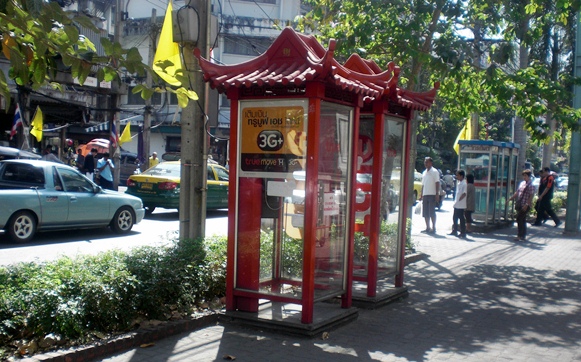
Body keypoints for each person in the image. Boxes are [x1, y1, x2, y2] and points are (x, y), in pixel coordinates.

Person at [509, 169, 535, 242]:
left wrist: (527, 204)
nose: (524, 177)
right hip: (520, 203)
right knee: (522, 219)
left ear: (529, 176)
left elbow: (531, 196)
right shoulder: (522, 183)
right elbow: (517, 192)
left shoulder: (531, 185)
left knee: (519, 218)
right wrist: (510, 199)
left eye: (525, 176)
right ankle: (522, 235)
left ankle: (520, 235)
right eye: (523, 176)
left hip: (525, 205)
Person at [420, 156, 441, 234]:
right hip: (425, 194)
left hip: (432, 194)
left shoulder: (435, 172)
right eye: (425, 162)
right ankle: (427, 227)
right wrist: (421, 194)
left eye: (427, 162)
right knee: (425, 212)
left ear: (431, 163)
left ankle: (433, 227)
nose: (425, 163)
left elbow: (437, 183)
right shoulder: (424, 172)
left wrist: (437, 194)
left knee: (432, 212)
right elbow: (423, 185)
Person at [449, 170, 467, 238]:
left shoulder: (464, 184)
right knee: (455, 217)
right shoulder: (459, 183)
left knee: (461, 218)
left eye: (458, 175)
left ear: (461, 176)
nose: (457, 177)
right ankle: (455, 230)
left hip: (461, 204)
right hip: (457, 204)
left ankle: (463, 232)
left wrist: (459, 199)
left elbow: (464, 193)